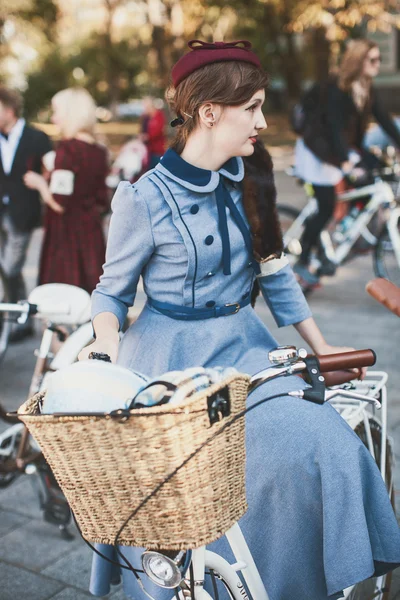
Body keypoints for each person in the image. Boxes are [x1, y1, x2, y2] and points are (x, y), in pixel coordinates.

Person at [79, 40, 400, 600]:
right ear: (210, 113)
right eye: (251, 107)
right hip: (170, 364)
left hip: (245, 351)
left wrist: (321, 351)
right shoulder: (143, 198)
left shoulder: (252, 177)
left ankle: (284, 585)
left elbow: (277, 279)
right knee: (199, 483)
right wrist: (104, 349)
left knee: (324, 443)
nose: (262, 120)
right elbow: (111, 293)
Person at [294, 39, 400, 288]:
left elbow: (385, 121)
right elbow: (333, 127)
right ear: (358, 60)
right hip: (317, 150)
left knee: (374, 176)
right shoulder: (337, 87)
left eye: (379, 60)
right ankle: (303, 258)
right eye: (372, 60)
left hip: (340, 149)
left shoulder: (366, 88)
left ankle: (354, 235)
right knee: (326, 205)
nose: (377, 64)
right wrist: (345, 162)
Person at [24, 87, 109, 294]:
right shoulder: (99, 151)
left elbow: (60, 203)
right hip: (91, 233)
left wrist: (40, 184)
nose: (54, 118)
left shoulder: (68, 150)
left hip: (66, 236)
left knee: (63, 297)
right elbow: (101, 199)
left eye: (57, 112)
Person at [0, 86, 52, 341]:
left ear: (9, 110)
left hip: (22, 213)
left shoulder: (37, 138)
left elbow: (53, 171)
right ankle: (19, 318)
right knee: (8, 268)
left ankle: (10, 314)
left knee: (10, 267)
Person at [139, 96, 166, 169]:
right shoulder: (145, 117)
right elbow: (142, 130)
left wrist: (147, 136)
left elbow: (157, 131)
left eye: (146, 107)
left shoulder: (158, 116)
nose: (145, 109)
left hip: (156, 150)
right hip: (146, 150)